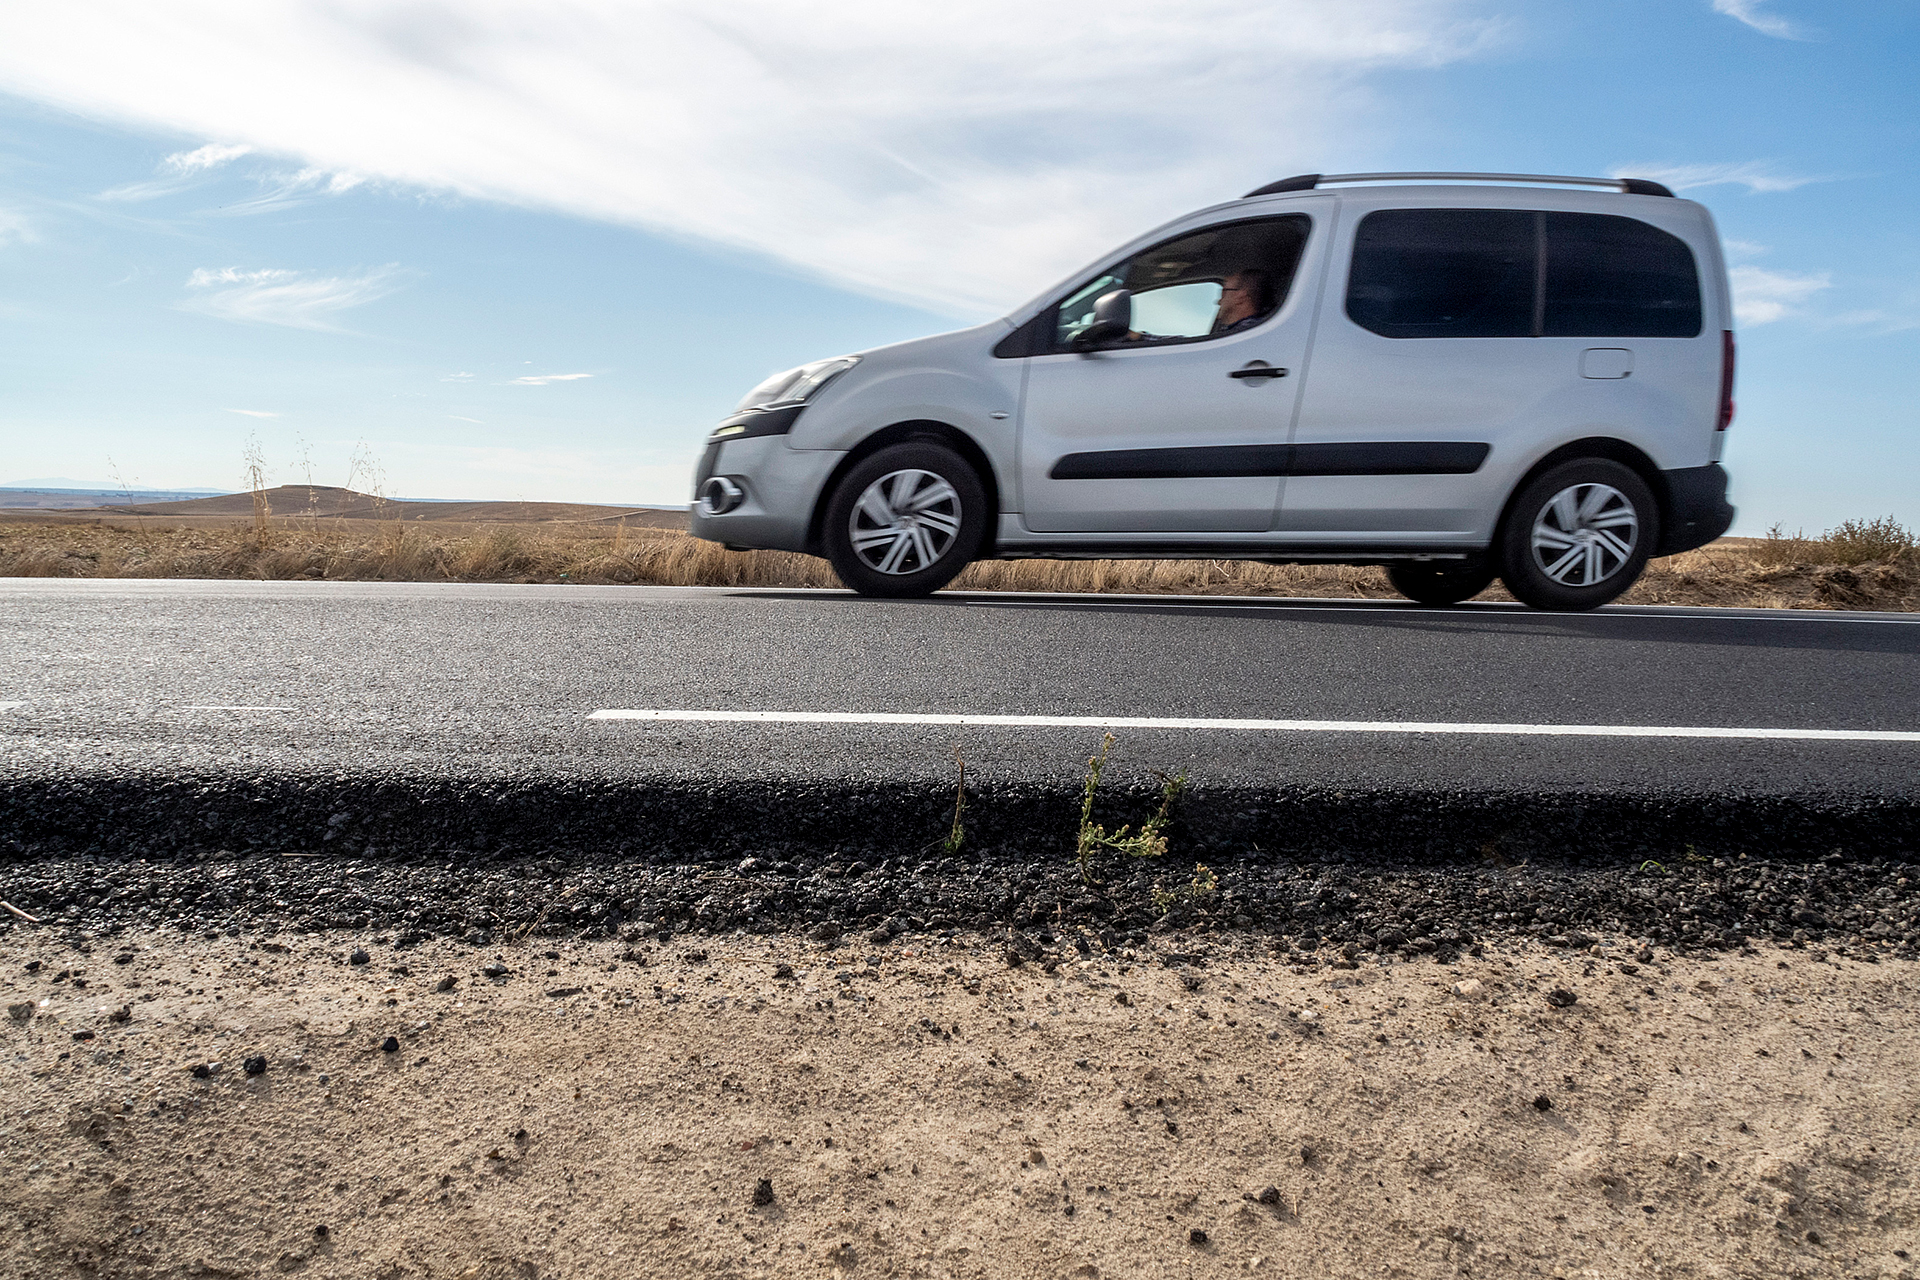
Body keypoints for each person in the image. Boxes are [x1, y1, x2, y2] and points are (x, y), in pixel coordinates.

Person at [1212, 268, 1276, 334]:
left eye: (1224, 292)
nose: (1218, 302)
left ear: (1240, 297)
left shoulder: (1245, 334)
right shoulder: (1254, 331)